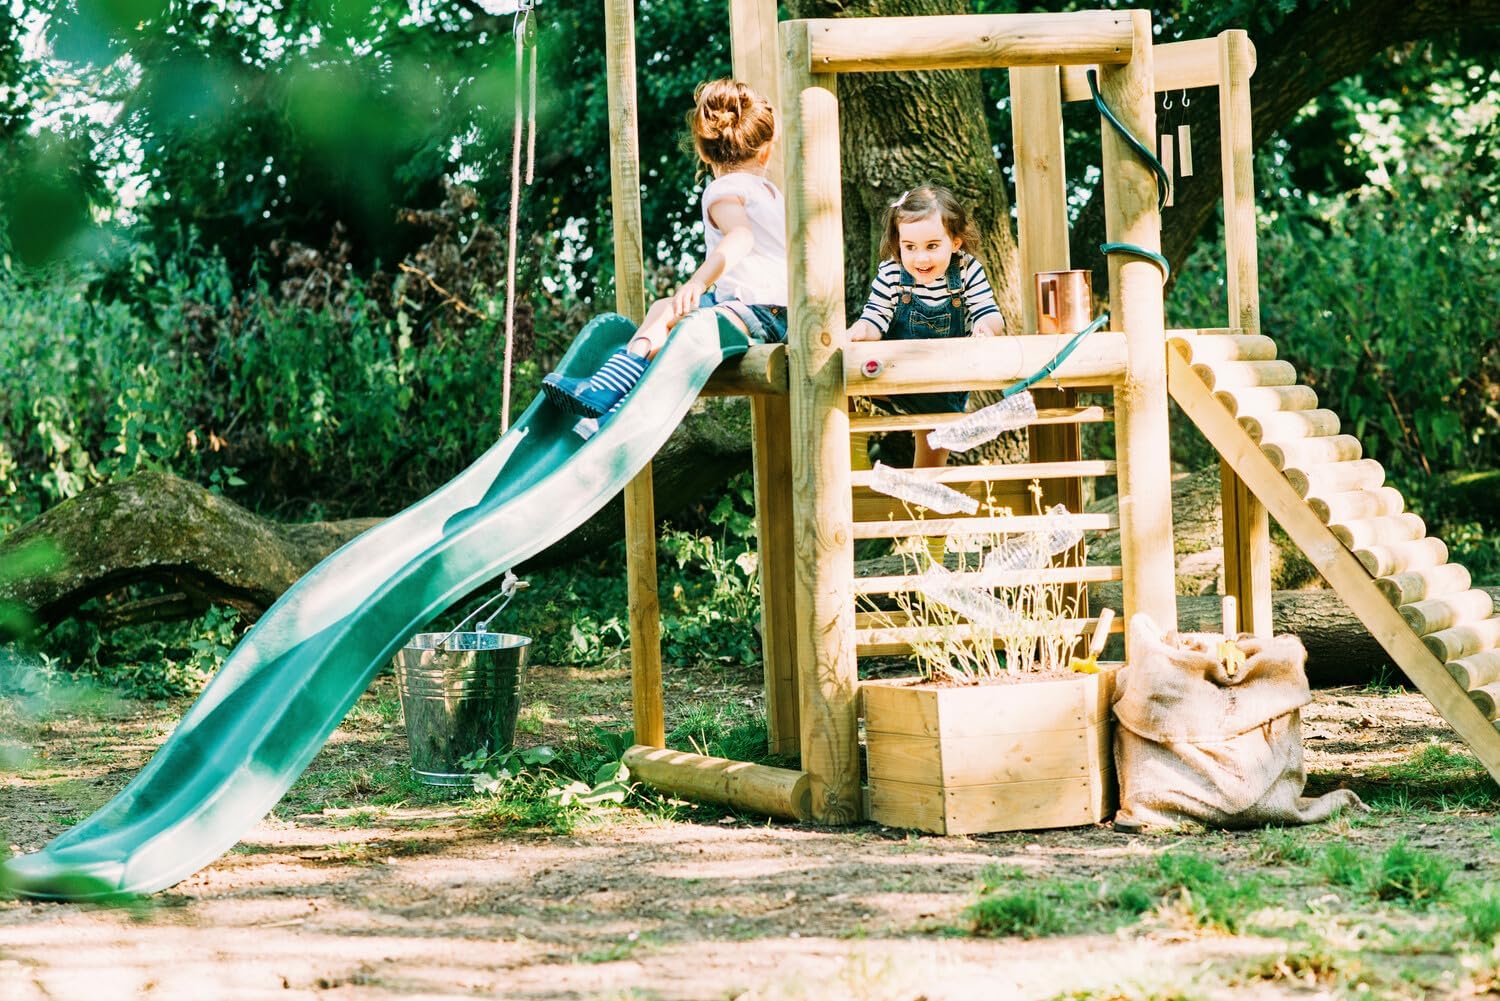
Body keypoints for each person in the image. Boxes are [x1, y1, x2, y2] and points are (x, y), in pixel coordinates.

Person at [543, 79, 787, 419]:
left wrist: (697, 282)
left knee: (677, 320)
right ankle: (617, 385)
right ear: (766, 149)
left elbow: (741, 237)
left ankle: (613, 389)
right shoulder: (773, 194)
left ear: (704, 151)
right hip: (781, 315)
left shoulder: (723, 190)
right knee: (664, 308)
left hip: (754, 313)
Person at [846, 183, 1005, 471]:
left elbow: (990, 313)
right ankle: (852, 455)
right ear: (899, 243)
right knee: (844, 380)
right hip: (895, 378)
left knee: (935, 441)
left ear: (955, 242)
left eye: (932, 246)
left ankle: (923, 485)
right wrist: (861, 329)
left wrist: (985, 328)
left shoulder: (967, 271)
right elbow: (875, 317)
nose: (920, 258)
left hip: (944, 384)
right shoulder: (892, 272)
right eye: (910, 247)